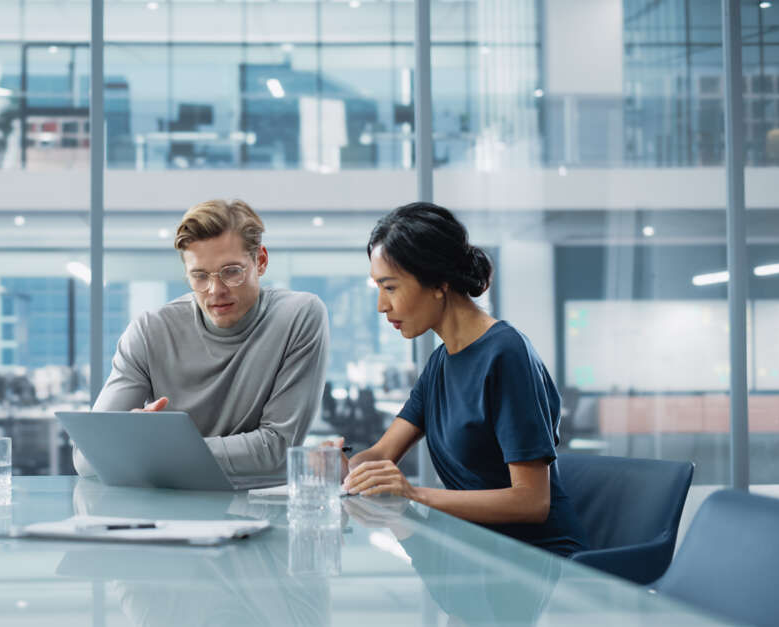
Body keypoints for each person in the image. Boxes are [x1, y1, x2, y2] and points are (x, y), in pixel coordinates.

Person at [334, 202, 587, 556]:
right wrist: (345, 466)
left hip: (536, 559)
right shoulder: (441, 362)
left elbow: (532, 501)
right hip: (473, 549)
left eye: (390, 288)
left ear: (438, 282)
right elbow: (382, 453)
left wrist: (414, 494)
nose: (381, 305)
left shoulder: (505, 354)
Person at [74, 199, 330, 478]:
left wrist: (150, 450)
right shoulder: (149, 332)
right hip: (167, 511)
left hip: (259, 507)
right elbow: (87, 457)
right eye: (199, 276)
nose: (215, 290)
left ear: (261, 261)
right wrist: (135, 442)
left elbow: (277, 449)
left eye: (232, 272)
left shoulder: (299, 316)